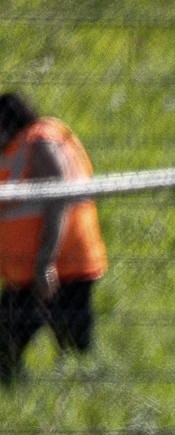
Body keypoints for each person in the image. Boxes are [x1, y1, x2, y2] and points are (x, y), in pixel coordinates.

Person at [0, 92, 105, 387]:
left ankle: (85, 400)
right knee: (11, 345)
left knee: (73, 348)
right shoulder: (24, 145)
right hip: (32, 271)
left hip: (58, 268)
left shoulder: (39, 142)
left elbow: (59, 195)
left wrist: (46, 262)